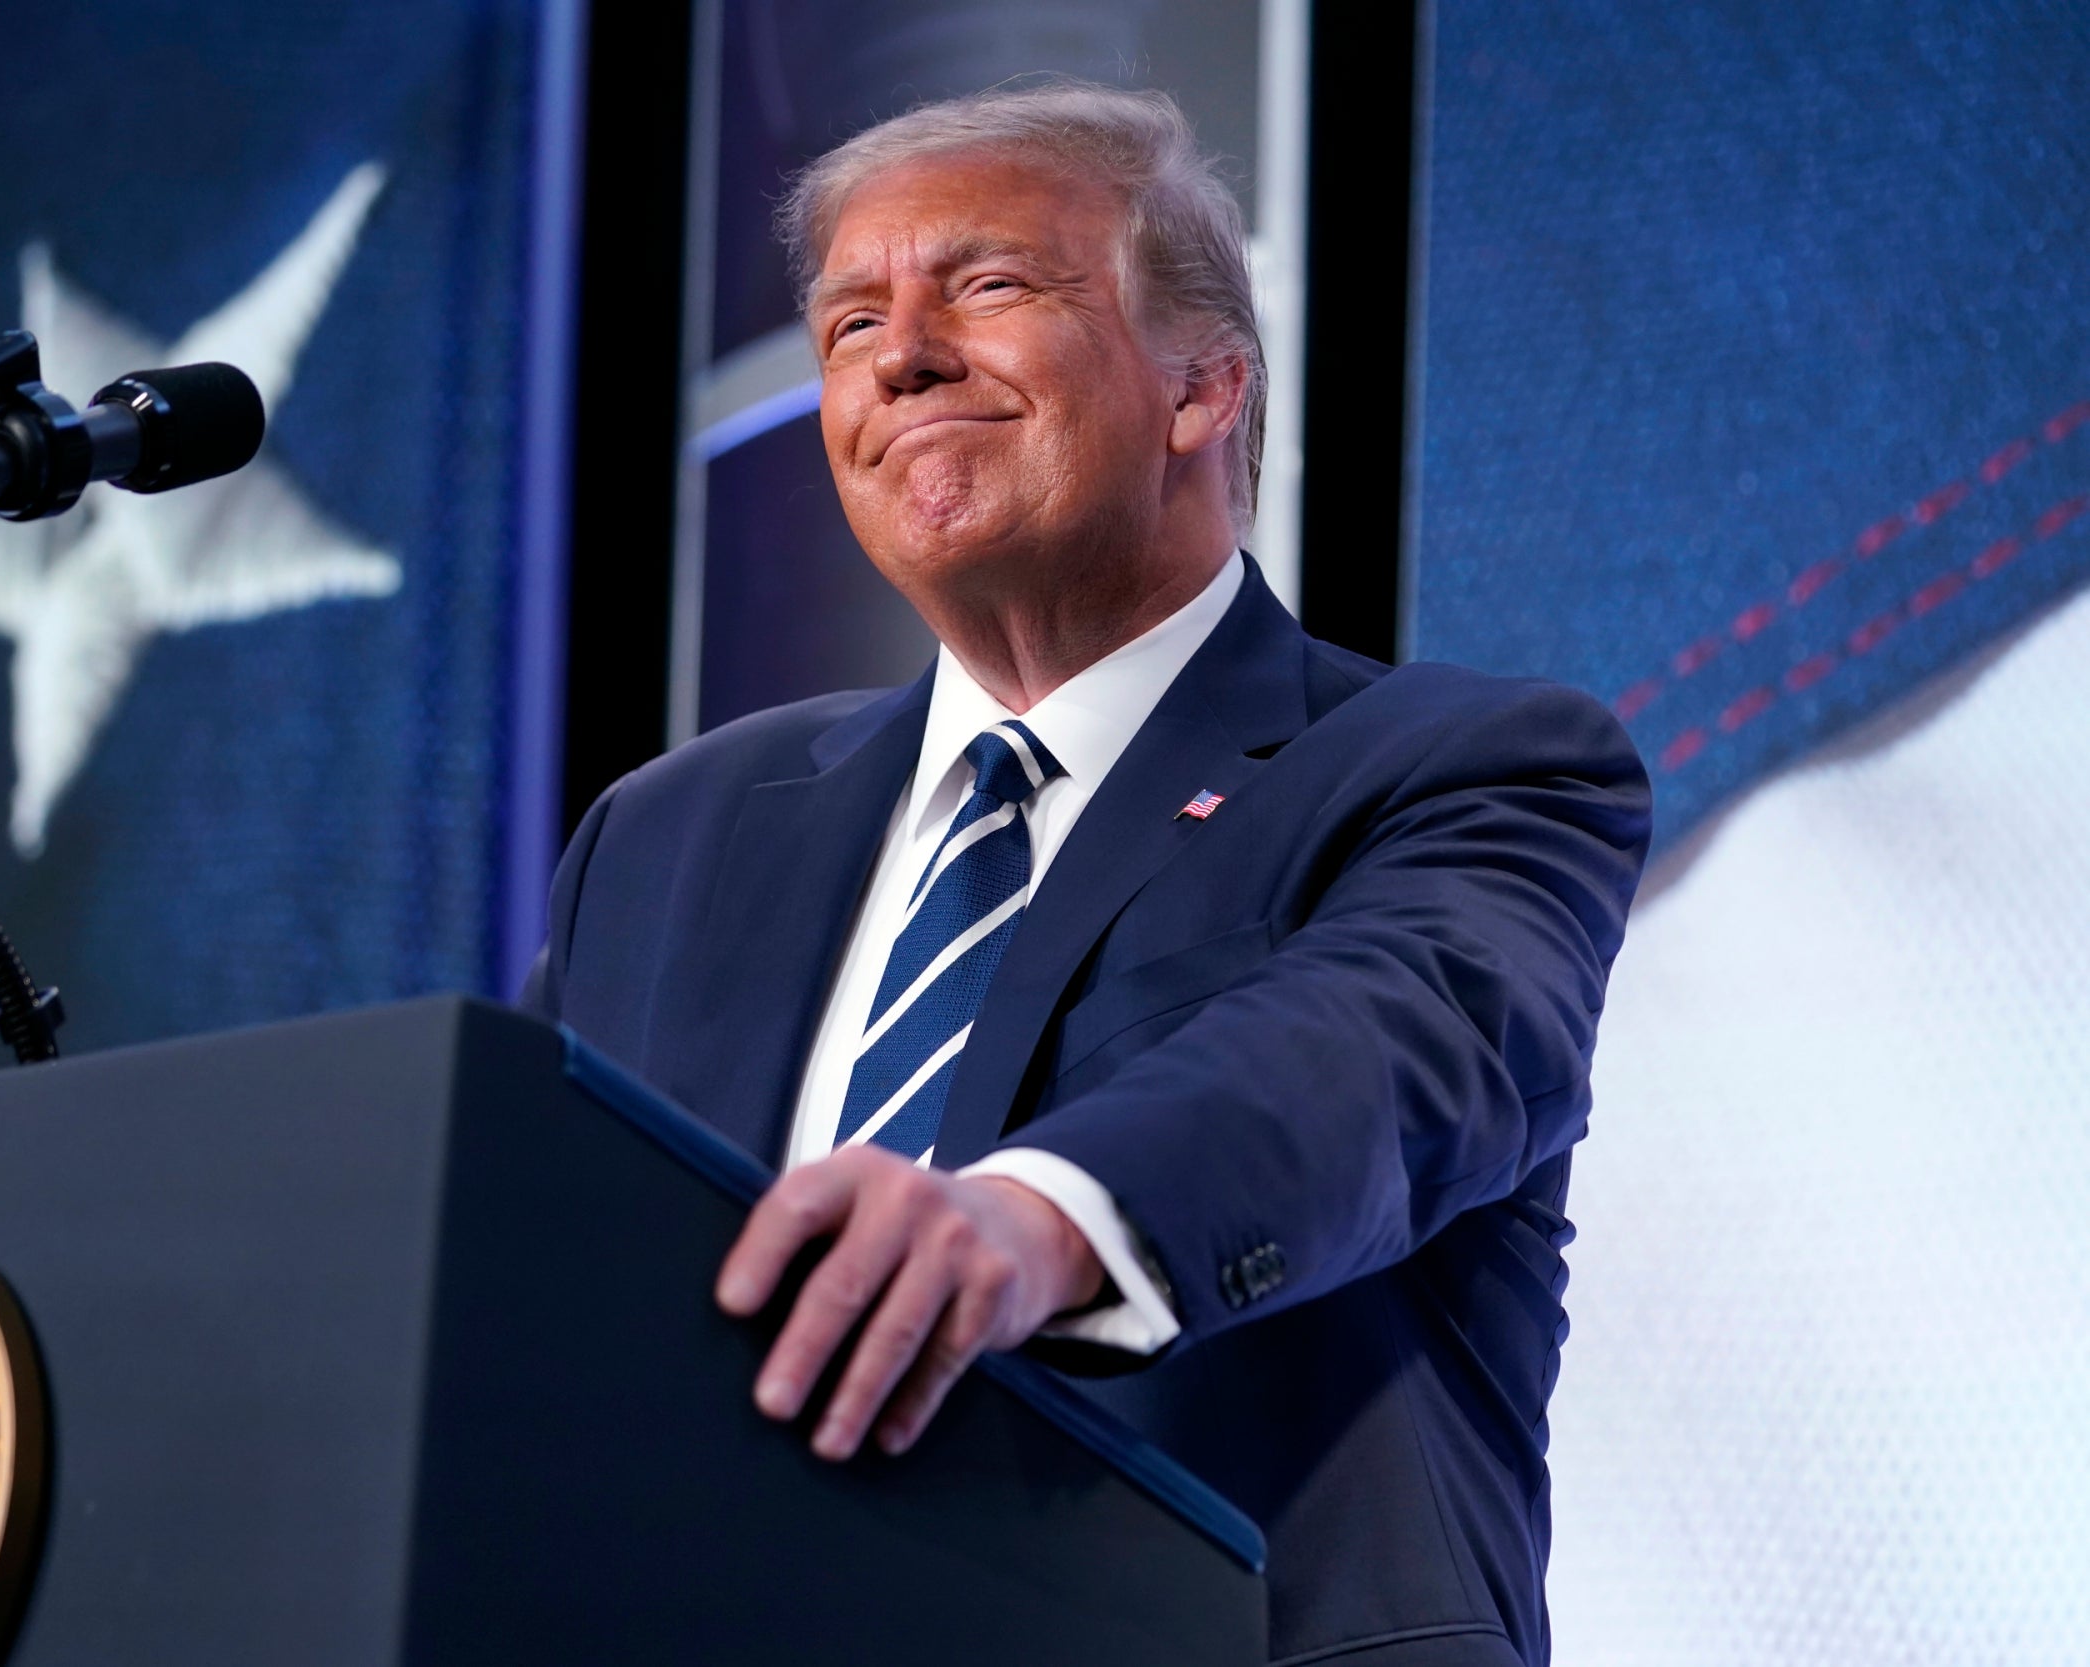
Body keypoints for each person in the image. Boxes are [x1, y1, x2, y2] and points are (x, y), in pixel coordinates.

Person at [523, 81, 1649, 1667]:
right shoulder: (670, 835)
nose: (897, 355)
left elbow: (1369, 1058)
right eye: (849, 325)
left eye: (984, 287)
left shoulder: (1462, 767)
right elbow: (520, 1276)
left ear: (1202, 390)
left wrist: (1029, 1223)